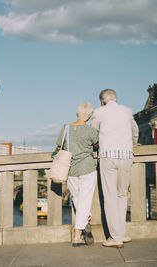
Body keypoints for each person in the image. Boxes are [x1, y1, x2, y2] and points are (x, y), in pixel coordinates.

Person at [91, 89, 139, 248]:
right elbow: (135, 131)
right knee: (122, 195)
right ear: (116, 100)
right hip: (126, 155)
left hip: (108, 155)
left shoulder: (99, 112)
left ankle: (115, 237)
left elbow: (93, 134)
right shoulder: (127, 111)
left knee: (110, 196)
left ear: (102, 102)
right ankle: (122, 232)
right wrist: (132, 143)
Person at [55, 102, 99, 246]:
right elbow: (98, 145)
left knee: (77, 199)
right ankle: (77, 235)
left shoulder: (66, 128)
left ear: (77, 113)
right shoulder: (90, 130)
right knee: (84, 201)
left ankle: (84, 221)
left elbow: (58, 147)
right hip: (87, 168)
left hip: (71, 169)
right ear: (89, 115)